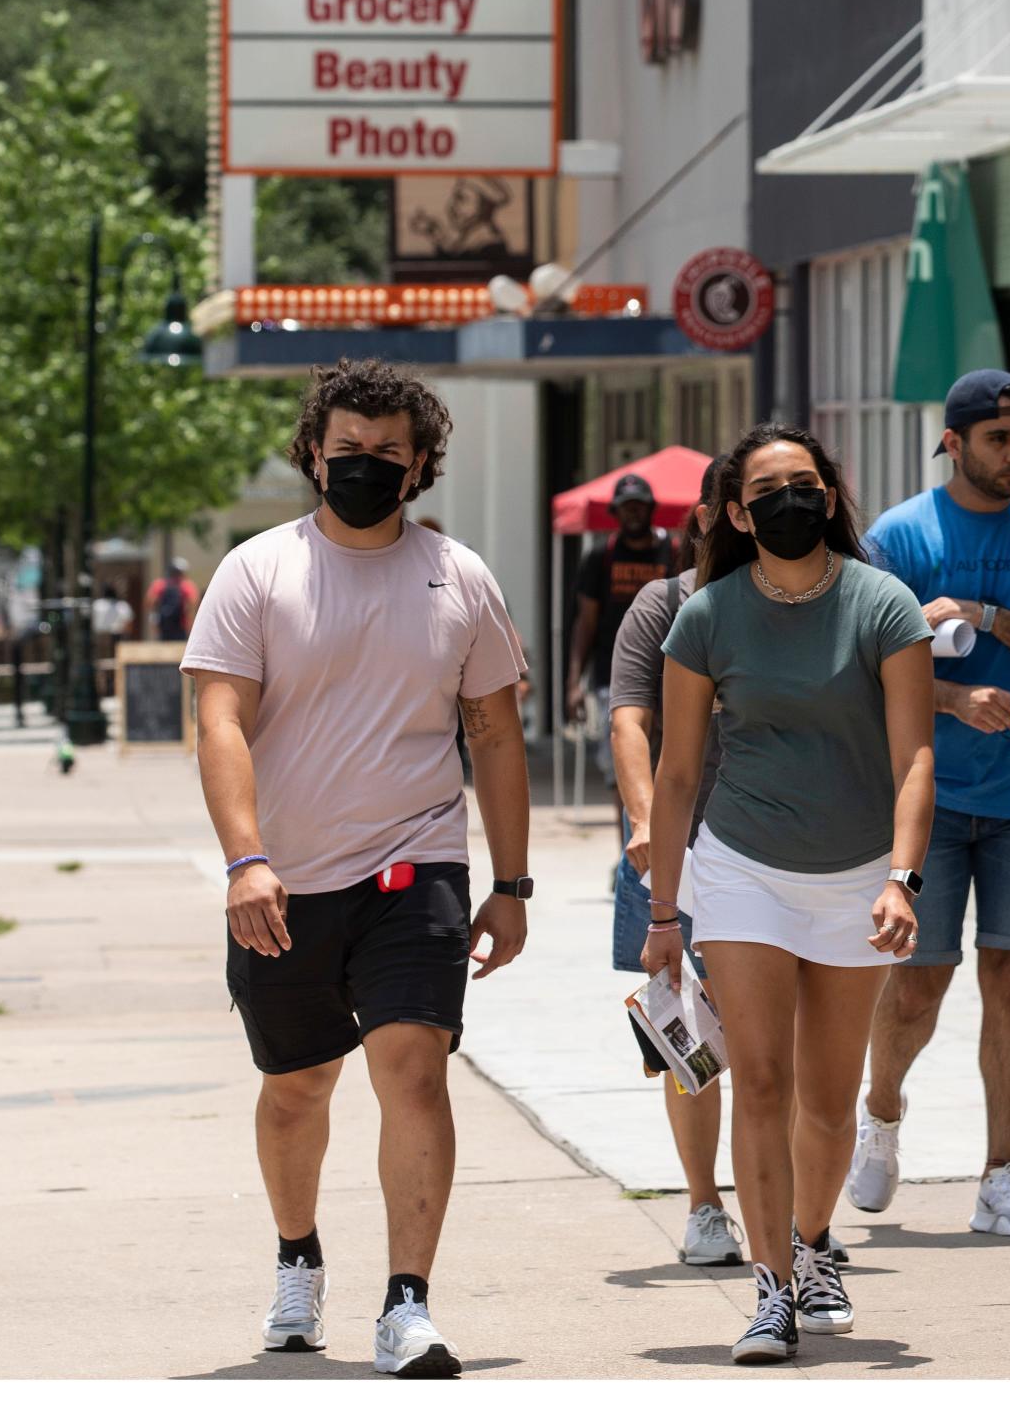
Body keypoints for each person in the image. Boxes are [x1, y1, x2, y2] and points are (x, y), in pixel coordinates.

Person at [181, 358, 532, 1378]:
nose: (366, 467)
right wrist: (245, 861)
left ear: (421, 464)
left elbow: (496, 738)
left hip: (415, 863)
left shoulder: (458, 577)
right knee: (299, 1086)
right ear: (313, 453)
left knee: (414, 1067)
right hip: (284, 879)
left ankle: (408, 1305)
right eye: (348, 451)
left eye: (389, 453)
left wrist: (510, 886)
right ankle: (298, 1262)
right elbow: (220, 723)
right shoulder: (257, 572)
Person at [643, 424, 934, 1362]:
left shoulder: (884, 604)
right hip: (743, 867)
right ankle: (770, 1288)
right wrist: (662, 914)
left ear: (831, 494)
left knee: (828, 1094)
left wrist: (901, 875)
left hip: (856, 876)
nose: (789, 501)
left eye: (804, 484)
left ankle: (814, 1244)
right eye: (768, 490)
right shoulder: (707, 615)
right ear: (737, 512)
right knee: (760, 1080)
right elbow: (678, 774)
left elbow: (914, 756)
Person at [846, 371, 1010, 1239]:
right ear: (954, 442)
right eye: (999, 438)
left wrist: (992, 615)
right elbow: (862, 670)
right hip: (927, 794)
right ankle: (881, 1117)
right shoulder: (900, 534)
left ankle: (1001, 1176)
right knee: (922, 979)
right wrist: (956, 699)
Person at [608, 458, 740, 1267]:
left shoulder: (796, 604)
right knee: (687, 1034)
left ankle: (794, 1210)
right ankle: (703, 1204)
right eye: (732, 510)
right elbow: (630, 720)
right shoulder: (661, 605)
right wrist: (646, 819)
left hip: (776, 846)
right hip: (678, 851)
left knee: (769, 1035)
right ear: (702, 519)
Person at [566, 472, 675, 798]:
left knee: (665, 761)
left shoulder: (675, 551)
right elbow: (585, 623)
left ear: (651, 508)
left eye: (639, 506)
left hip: (668, 674)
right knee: (622, 762)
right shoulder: (601, 557)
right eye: (626, 507)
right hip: (612, 675)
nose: (633, 513)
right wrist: (574, 683)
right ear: (615, 512)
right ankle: (627, 848)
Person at [146, 557, 199, 640]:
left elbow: (150, 602)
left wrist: (154, 620)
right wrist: (190, 623)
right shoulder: (187, 586)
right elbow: (193, 604)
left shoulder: (159, 584)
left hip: (163, 625)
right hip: (181, 625)